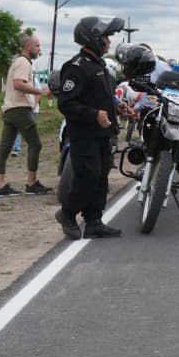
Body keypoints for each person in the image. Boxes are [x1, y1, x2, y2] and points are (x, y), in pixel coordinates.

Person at [56, 16, 130, 240]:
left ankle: (94, 221)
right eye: (106, 37)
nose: (109, 41)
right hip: (84, 134)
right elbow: (66, 103)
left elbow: (101, 96)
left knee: (101, 179)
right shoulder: (76, 67)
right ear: (93, 38)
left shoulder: (100, 65)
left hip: (103, 134)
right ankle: (68, 214)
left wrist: (119, 106)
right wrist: (94, 115)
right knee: (88, 177)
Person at [0, 35, 53, 197]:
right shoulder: (23, 62)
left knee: (5, 147)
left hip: (10, 110)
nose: (39, 49)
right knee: (36, 144)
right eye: (37, 46)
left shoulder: (19, 62)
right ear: (28, 47)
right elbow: (18, 84)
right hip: (19, 110)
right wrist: (41, 91)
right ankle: (31, 183)